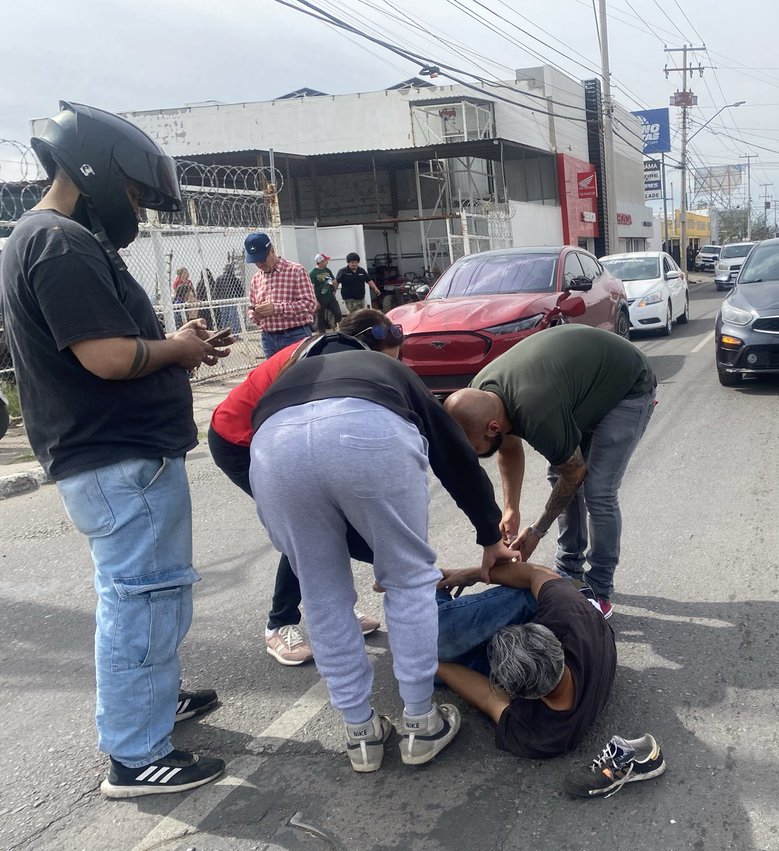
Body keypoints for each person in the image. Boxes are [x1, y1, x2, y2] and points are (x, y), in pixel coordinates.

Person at [0, 101, 235, 798]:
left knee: (143, 597)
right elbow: (105, 357)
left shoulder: (47, 237)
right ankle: (136, 754)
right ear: (98, 170)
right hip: (119, 460)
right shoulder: (61, 243)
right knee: (143, 601)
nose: (133, 207)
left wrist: (178, 347)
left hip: (114, 458)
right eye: (133, 192)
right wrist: (178, 349)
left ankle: (150, 703)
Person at [248, 337, 520, 772]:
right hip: (368, 431)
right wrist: (490, 535)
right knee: (408, 580)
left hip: (274, 445)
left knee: (321, 596)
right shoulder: (385, 368)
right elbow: (452, 454)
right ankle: (421, 721)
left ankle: (359, 731)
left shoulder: (286, 378)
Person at [208, 309, 393, 666]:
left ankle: (336, 606)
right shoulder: (321, 365)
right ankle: (279, 626)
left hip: (276, 436)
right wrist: (392, 560)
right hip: (238, 440)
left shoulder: (336, 356)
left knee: (329, 519)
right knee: (306, 526)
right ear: (358, 351)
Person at [444, 325, 657, 619]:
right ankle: (569, 569)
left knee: (598, 490)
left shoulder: (535, 411)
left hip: (627, 384)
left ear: (492, 427)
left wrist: (537, 530)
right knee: (560, 476)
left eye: (474, 447)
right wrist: (511, 509)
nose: (475, 454)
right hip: (582, 386)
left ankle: (599, 589)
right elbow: (507, 447)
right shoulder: (478, 395)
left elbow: (575, 474)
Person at [435, 561, 618, 758]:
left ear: (513, 692)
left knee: (433, 658)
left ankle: (427, 592)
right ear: (555, 642)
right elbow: (534, 573)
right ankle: (428, 603)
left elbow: (488, 698)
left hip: (564, 620)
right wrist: (474, 574)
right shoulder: (570, 614)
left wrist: (425, 658)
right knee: (434, 634)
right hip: (560, 591)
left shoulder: (534, 734)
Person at [245, 231, 317, 357]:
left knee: (300, 369)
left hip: (295, 335)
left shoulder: (295, 271)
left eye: (262, 259)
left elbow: (309, 304)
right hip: (268, 338)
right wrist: (256, 315)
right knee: (274, 371)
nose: (260, 264)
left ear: (272, 250)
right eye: (255, 261)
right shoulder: (256, 279)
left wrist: (277, 308)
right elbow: (252, 308)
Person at [309, 253, 341, 333]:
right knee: (320, 318)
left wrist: (334, 290)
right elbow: (311, 288)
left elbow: (333, 281)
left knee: (337, 313)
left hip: (330, 296)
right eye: (325, 260)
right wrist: (315, 301)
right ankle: (322, 333)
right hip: (320, 298)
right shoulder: (313, 273)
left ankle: (337, 328)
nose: (327, 262)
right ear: (320, 262)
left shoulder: (327, 270)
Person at [212, 262, 245, 334]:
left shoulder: (219, 278)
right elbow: (240, 291)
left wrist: (215, 299)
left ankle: (225, 333)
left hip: (223, 300)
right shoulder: (234, 279)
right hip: (232, 300)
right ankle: (235, 334)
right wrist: (238, 297)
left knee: (224, 318)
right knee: (234, 318)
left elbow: (216, 290)